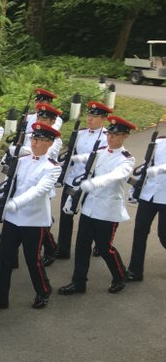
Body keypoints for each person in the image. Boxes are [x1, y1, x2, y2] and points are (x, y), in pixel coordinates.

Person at [59, 115, 136, 296]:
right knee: (82, 246)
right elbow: (85, 166)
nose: (110, 138)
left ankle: (119, 275)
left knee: (104, 247)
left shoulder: (127, 159)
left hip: (107, 210)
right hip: (89, 207)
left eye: (115, 136)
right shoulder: (100, 151)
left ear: (125, 136)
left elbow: (116, 175)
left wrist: (95, 183)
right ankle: (78, 283)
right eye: (109, 134)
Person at [0, 123, 61, 310]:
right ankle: (0, 296)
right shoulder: (22, 160)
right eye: (33, 139)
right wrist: (0, 206)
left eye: (39, 140)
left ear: (50, 143)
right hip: (13, 217)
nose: (34, 143)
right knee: (5, 258)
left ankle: (43, 291)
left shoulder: (52, 167)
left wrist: (15, 203)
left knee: (32, 259)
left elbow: (39, 191)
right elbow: (10, 185)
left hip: (33, 220)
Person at [55, 101, 110, 260]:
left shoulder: (107, 137)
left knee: (90, 218)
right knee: (66, 216)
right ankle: (63, 248)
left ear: (103, 118)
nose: (90, 119)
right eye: (89, 115)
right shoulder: (79, 134)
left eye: (94, 116)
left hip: (91, 183)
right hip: (72, 180)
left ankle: (97, 244)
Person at [126, 131, 166, 282]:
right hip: (148, 195)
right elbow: (145, 167)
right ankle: (135, 271)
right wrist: (135, 188)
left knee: (164, 235)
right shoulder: (158, 143)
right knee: (140, 232)